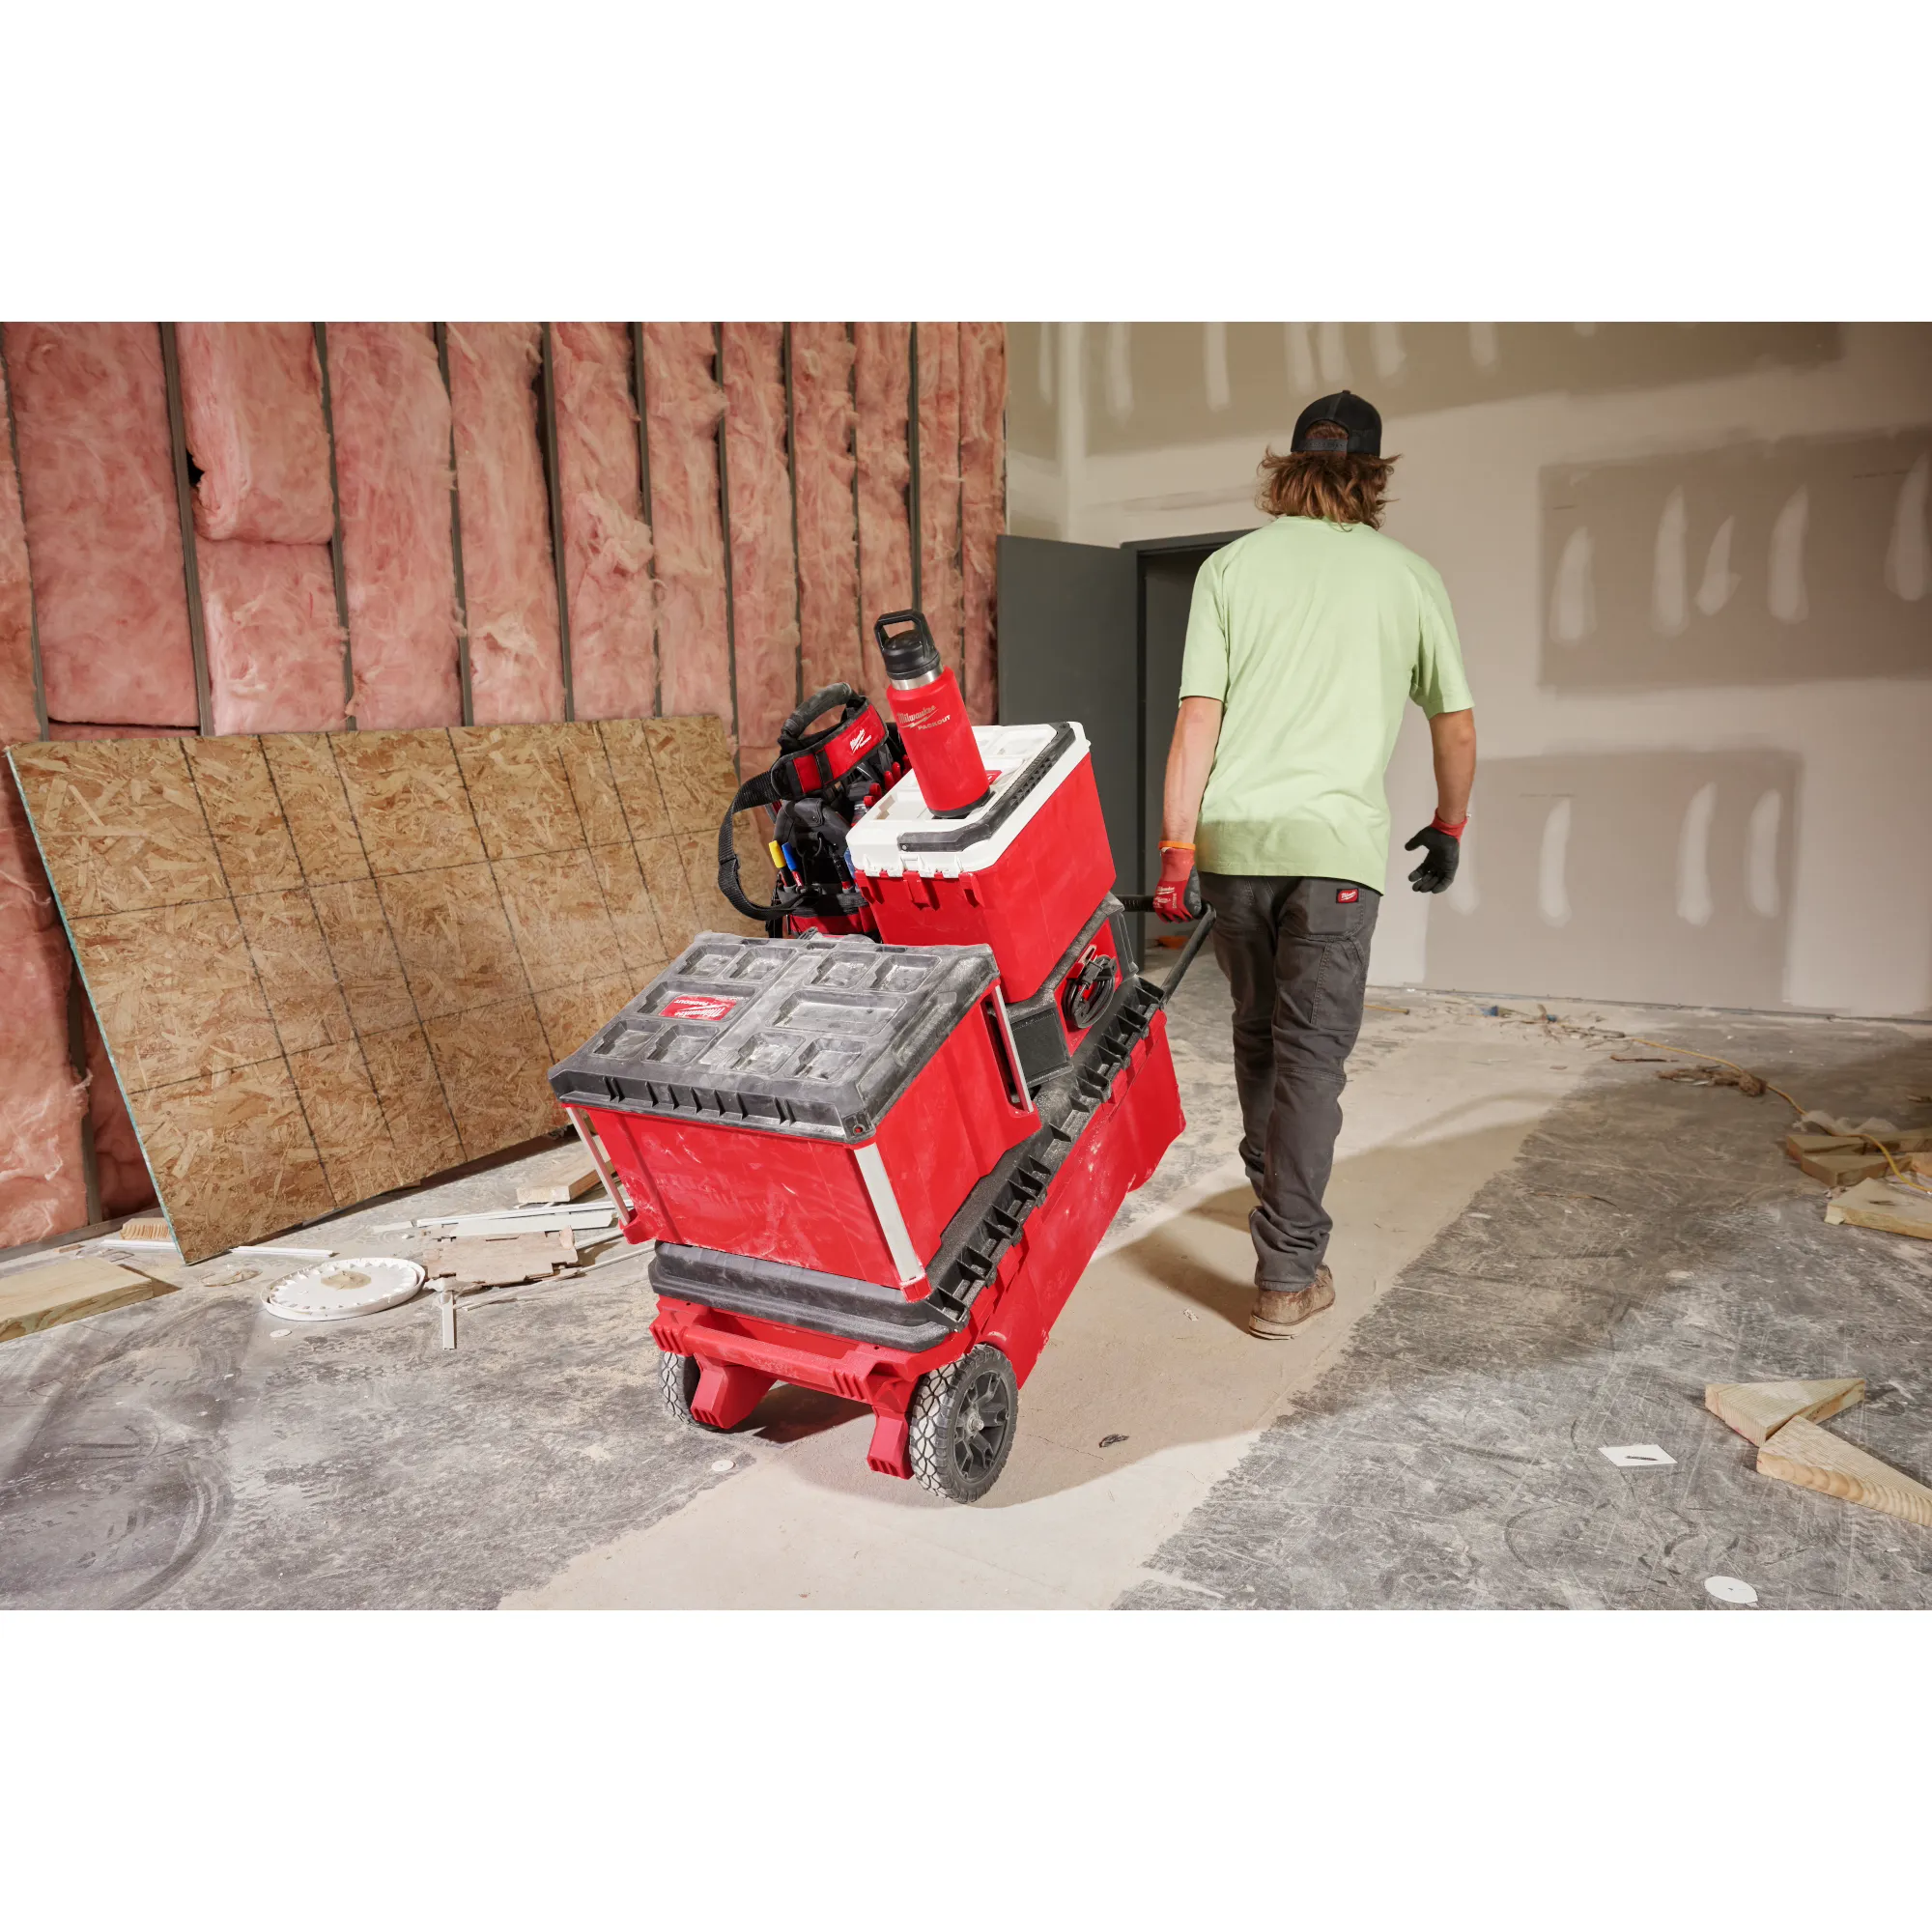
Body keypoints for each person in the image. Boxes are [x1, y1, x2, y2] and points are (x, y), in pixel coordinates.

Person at [1153, 390, 1476, 1339]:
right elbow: (1451, 722)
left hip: (1234, 846)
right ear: (1371, 477)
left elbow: (1195, 720)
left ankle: (1279, 1207)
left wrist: (1178, 844)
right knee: (1308, 1055)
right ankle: (1287, 1271)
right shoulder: (1407, 576)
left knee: (1258, 1035)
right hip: (1333, 851)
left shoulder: (1228, 569)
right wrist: (1448, 821)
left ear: (1286, 467)